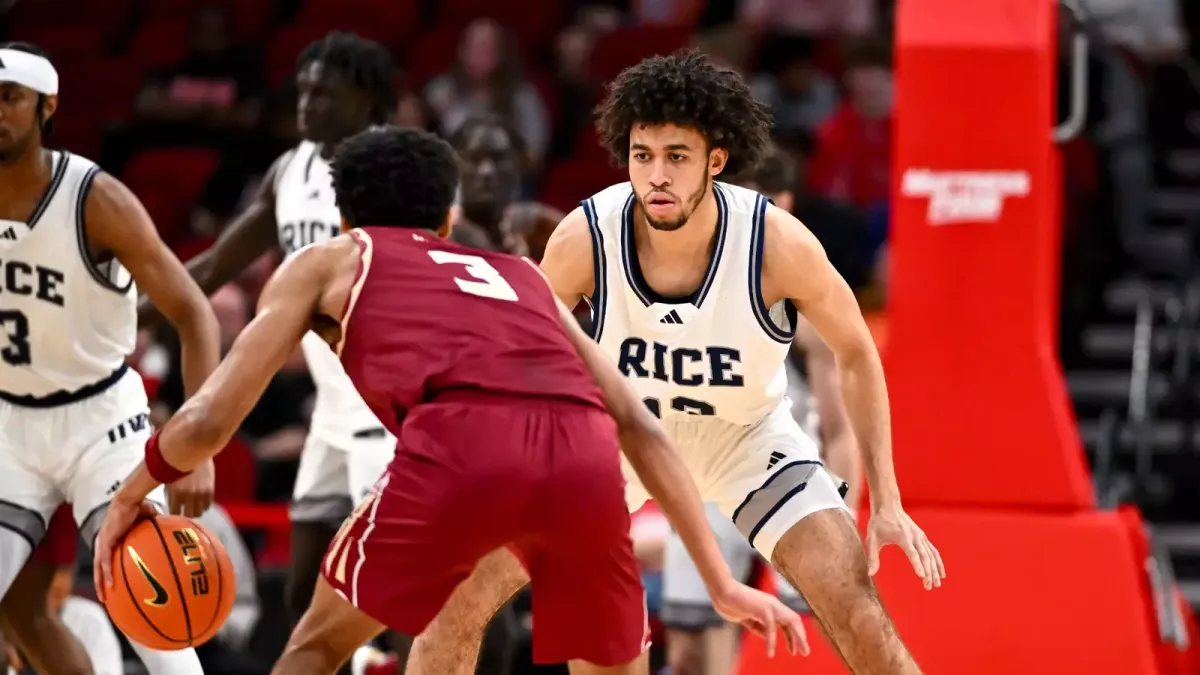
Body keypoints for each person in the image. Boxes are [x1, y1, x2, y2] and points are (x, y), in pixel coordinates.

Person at [92, 125, 808, 675]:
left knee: (315, 647)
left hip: (462, 443)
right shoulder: (521, 275)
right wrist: (721, 580)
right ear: (448, 215)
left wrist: (133, 491)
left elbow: (209, 419)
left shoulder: (337, 257)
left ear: (342, 215)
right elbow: (636, 423)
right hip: (585, 459)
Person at [406, 49, 945, 675]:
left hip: (746, 440)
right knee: (456, 598)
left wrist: (887, 501)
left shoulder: (775, 242)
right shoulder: (588, 236)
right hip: (617, 442)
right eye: (643, 156)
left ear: (716, 161)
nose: (657, 175)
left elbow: (856, 353)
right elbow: (516, 356)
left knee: (855, 604)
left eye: (677, 157)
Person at [136, 31, 402, 641]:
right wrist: (121, 316)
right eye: (304, 90)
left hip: (393, 413)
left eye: (325, 94)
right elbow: (209, 269)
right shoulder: (291, 169)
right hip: (332, 416)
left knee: (397, 599)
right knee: (304, 586)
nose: (307, 104)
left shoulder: (395, 172)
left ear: (367, 100)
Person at [0, 42, 220, 675]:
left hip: (101, 421)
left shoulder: (95, 199)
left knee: (155, 603)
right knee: (24, 617)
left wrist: (195, 444)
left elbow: (194, 314)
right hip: (11, 425)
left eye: (10, 98)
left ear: (48, 105)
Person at [652, 145, 866, 675]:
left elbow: (840, 428)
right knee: (690, 649)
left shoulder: (807, 292)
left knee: (810, 644)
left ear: (784, 203)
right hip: (708, 466)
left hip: (785, 470)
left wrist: (847, 518)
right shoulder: (688, 279)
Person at [451, 113, 565, 260]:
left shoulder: (539, 233)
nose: (487, 171)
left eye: (499, 159)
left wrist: (557, 224)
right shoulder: (436, 234)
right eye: (475, 158)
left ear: (519, 166)